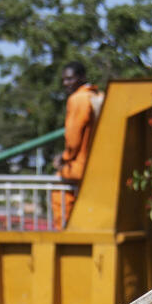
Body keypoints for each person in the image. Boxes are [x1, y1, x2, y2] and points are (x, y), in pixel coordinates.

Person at [55, 62, 100, 226]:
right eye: (64, 80)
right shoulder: (97, 96)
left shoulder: (77, 99)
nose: (66, 83)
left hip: (80, 166)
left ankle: (64, 233)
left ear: (82, 77)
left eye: (70, 79)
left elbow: (73, 137)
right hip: (97, 166)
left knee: (58, 187)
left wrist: (64, 159)